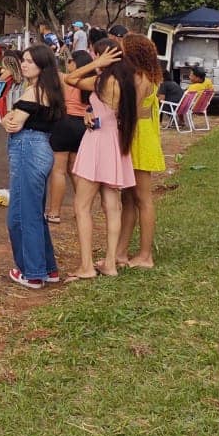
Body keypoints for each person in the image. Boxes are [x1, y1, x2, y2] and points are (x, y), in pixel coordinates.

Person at [63, 39, 138, 280]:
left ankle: (86, 266)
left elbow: (70, 78)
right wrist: (88, 112)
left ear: (104, 56)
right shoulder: (127, 81)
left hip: (97, 144)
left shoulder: (102, 81)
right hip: (116, 143)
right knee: (112, 207)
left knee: (82, 206)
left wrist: (96, 63)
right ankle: (110, 263)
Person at [1, 44, 62, 289]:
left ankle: (33, 272)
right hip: (41, 149)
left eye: (30, 61)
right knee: (33, 212)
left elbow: (13, 123)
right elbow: (10, 120)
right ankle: (47, 268)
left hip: (29, 150)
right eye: (23, 60)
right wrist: (10, 117)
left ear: (42, 66)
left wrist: (10, 116)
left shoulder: (34, 92)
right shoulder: (49, 90)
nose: (24, 64)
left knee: (21, 216)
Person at [117, 33, 165, 269]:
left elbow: (128, 112)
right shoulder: (150, 76)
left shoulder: (140, 78)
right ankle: (121, 252)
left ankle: (145, 255)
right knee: (128, 198)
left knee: (142, 199)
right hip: (141, 136)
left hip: (139, 139)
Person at [46, 50, 88, 225]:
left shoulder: (64, 78)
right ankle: (82, 211)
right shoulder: (90, 83)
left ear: (74, 64)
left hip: (64, 123)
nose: (67, 63)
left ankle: (54, 212)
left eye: (70, 61)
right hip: (83, 126)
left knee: (59, 170)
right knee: (75, 170)